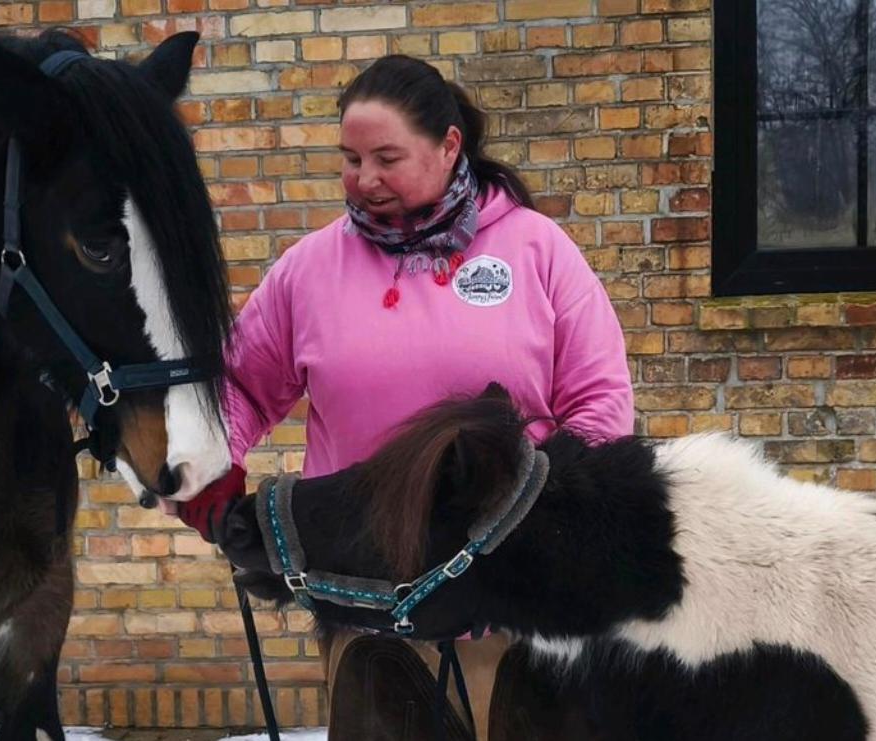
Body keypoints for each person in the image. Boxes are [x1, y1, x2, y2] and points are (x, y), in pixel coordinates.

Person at [175, 54, 634, 741]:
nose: (364, 179)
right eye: (350, 158)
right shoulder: (309, 271)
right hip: (366, 595)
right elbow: (240, 387)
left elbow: (599, 405)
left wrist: (541, 513)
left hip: (513, 594)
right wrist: (203, 470)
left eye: (386, 157)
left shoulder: (537, 251)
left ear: (450, 146)